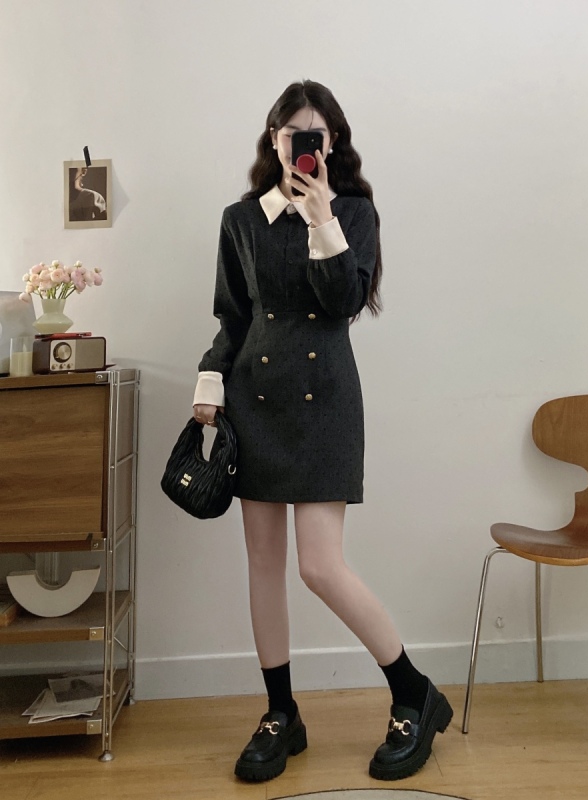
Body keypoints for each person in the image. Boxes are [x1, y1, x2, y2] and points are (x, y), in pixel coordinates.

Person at [193, 79, 453, 783]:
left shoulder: (354, 213)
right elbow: (233, 317)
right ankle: (281, 713)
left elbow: (343, 303)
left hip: (324, 404)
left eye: (317, 135)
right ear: (274, 139)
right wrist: (209, 385)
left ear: (331, 143)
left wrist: (322, 219)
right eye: (292, 134)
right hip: (254, 402)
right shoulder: (241, 219)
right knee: (262, 564)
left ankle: (413, 692)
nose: (304, 145)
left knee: (319, 567)